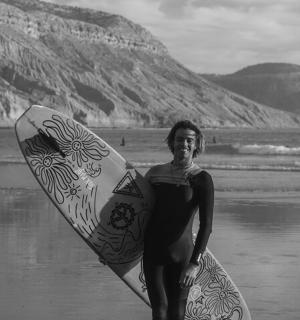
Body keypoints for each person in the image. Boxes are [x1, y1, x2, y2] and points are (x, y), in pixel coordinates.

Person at [143, 120, 214, 320]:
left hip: (182, 255)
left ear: (197, 144)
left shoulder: (201, 178)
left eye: (189, 140)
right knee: (159, 310)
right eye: (180, 139)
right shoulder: (155, 173)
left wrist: (194, 264)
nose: (184, 144)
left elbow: (206, 226)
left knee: (177, 312)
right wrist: (112, 249)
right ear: (172, 142)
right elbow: (139, 212)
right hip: (153, 252)